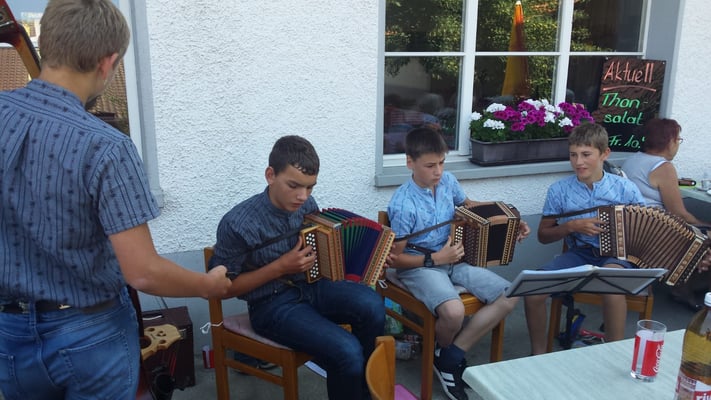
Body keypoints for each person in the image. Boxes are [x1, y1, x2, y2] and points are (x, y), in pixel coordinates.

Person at [0, 1, 232, 399]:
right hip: (89, 335)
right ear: (107, 62)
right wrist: (207, 285)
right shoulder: (106, 145)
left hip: (9, 332)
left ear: (47, 41)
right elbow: (143, 272)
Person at [210, 135, 385, 400]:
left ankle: (362, 391)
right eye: (293, 186)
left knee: (372, 305)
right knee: (346, 350)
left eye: (310, 187)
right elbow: (222, 289)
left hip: (313, 286)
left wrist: (367, 258)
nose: (303, 196)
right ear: (270, 175)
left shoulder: (307, 206)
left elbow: (320, 250)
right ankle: (351, 377)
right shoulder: (237, 223)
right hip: (271, 306)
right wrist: (280, 267)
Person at [387, 127, 528, 400]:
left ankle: (448, 355)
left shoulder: (448, 181)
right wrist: (435, 259)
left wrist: (511, 219)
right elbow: (394, 259)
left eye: (441, 163)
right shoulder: (403, 204)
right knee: (454, 312)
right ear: (410, 162)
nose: (438, 171)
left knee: (512, 293)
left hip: (454, 259)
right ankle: (448, 359)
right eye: (430, 166)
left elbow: (470, 207)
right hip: (420, 266)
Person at [524, 123, 646, 355]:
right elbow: (543, 236)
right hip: (579, 254)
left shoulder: (625, 188)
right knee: (532, 290)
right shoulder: (559, 190)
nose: (578, 162)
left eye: (586, 154)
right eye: (573, 155)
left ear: (605, 154)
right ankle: (537, 356)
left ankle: (613, 353)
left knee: (610, 281)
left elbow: (646, 228)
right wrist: (571, 226)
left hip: (618, 255)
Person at [622, 118, 711, 311]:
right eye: (678, 139)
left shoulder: (633, 159)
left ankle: (689, 284)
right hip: (658, 234)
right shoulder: (663, 167)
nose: (678, 144)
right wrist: (706, 224)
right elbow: (679, 214)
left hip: (634, 229)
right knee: (707, 235)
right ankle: (684, 288)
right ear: (668, 140)